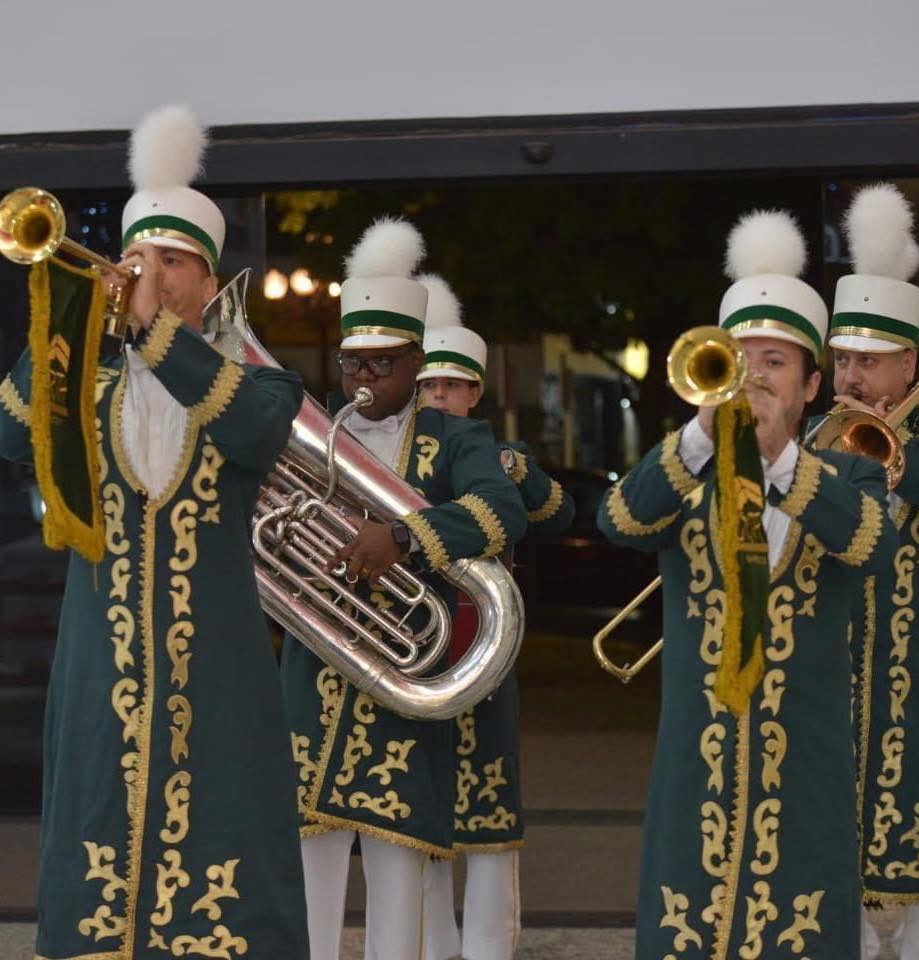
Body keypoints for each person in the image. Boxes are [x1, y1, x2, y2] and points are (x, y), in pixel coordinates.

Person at [0, 105, 309, 959]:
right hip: (100, 673)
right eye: (141, 258)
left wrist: (154, 331)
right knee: (95, 829)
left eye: (175, 261)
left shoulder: (260, 382)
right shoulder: (87, 383)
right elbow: (10, 435)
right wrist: (63, 319)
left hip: (221, 675)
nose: (152, 275)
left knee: (228, 841)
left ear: (209, 285)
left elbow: (254, 432)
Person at [597, 209, 897, 959]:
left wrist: (782, 463)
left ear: (811, 384)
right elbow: (619, 520)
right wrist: (704, 433)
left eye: (775, 363)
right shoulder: (685, 471)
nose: (756, 377)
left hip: (806, 768)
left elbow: (872, 545)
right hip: (696, 764)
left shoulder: (850, 472)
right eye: (742, 359)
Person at [280, 219, 527, 960]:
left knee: (401, 875)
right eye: (352, 363)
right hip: (314, 680)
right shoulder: (312, 427)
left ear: (416, 362)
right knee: (303, 871)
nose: (362, 380)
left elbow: (501, 512)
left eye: (382, 365)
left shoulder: (456, 440)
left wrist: (404, 536)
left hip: (404, 681)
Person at [414, 275, 575, 960]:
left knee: (488, 794)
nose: (438, 397)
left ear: (475, 394)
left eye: (451, 386)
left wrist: (518, 471)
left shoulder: (499, 454)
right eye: (428, 385)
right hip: (415, 634)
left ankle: (489, 946)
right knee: (418, 801)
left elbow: (559, 513)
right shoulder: (403, 452)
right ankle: (428, 945)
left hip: (483, 633)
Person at [825, 183, 919, 960]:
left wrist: (905, 462)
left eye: (870, 363)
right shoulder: (813, 439)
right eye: (843, 359)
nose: (852, 378)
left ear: (910, 363)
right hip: (831, 703)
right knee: (827, 902)